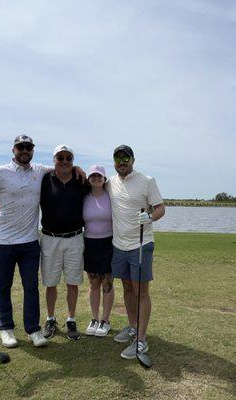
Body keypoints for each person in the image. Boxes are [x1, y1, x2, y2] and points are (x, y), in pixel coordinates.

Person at [0, 135, 84, 349]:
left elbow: (61, 167)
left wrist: (77, 167)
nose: (25, 150)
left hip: (30, 241)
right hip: (3, 241)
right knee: (3, 287)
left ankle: (33, 329)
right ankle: (6, 328)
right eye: (21, 147)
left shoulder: (39, 171)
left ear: (32, 150)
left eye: (29, 147)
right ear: (14, 149)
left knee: (31, 287)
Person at [106, 144, 165, 359]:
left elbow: (160, 208)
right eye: (117, 159)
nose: (121, 163)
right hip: (118, 245)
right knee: (128, 288)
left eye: (125, 159)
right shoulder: (110, 183)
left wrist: (150, 217)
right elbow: (90, 185)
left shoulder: (147, 181)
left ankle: (141, 340)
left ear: (133, 160)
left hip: (141, 244)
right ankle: (132, 326)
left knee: (141, 291)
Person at [40, 145, 89, 341]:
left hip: (75, 238)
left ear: (73, 161)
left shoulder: (81, 180)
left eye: (69, 158)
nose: (65, 161)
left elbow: (100, 189)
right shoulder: (44, 180)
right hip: (50, 238)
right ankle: (50, 319)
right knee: (50, 283)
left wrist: (81, 169)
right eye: (60, 158)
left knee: (72, 282)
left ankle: (71, 319)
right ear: (54, 160)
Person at [83, 165, 114, 337]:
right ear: (88, 178)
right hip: (89, 244)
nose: (96, 178)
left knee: (107, 283)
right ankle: (94, 319)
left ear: (104, 179)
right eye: (93, 175)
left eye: (99, 176)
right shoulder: (84, 197)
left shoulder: (111, 196)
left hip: (108, 243)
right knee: (94, 284)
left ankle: (105, 320)